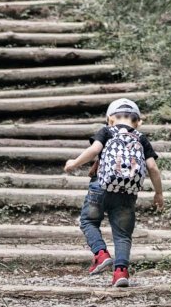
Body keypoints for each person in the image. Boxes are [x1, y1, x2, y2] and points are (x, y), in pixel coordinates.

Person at [64, 97, 164, 287]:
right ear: (139, 122)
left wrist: (74, 164)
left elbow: (94, 150)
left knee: (88, 221)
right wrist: (158, 194)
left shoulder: (106, 131)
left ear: (110, 119)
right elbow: (153, 168)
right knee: (123, 235)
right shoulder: (141, 139)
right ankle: (120, 273)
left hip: (100, 188)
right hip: (127, 194)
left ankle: (101, 254)